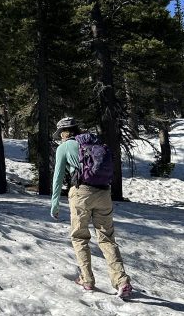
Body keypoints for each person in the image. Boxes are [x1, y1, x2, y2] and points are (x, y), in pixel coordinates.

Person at [50, 116, 133, 299]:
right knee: (107, 238)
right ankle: (122, 281)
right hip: (104, 193)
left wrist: (55, 203)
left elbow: (58, 176)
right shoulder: (93, 143)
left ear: (63, 133)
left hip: (81, 193)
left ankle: (87, 279)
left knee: (80, 237)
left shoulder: (64, 147)